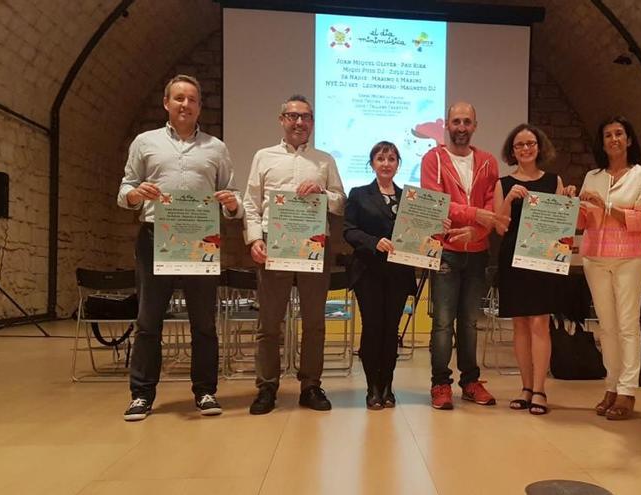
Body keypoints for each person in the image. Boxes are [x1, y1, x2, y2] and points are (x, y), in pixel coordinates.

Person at [117, 74, 242, 421]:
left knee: (203, 322)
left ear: (200, 106)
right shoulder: (145, 142)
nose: (185, 104)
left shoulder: (216, 148)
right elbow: (125, 188)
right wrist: (134, 194)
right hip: (155, 237)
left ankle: (205, 391)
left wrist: (232, 204)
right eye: (179, 98)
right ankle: (141, 394)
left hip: (201, 240)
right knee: (148, 321)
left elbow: (233, 197)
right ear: (166, 103)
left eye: (192, 99)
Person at [243, 95, 346, 414]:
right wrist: (254, 240)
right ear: (281, 119)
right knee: (269, 322)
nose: (299, 122)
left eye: (306, 117)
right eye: (292, 116)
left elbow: (341, 202)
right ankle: (267, 387)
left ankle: (311, 385)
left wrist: (323, 193)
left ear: (313, 122)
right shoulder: (263, 157)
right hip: (275, 247)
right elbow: (250, 203)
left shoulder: (324, 160)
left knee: (314, 321)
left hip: (315, 247)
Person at [420, 102, 508, 410]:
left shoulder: (487, 161)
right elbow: (436, 202)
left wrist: (477, 232)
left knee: (470, 321)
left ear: (475, 125)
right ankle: (440, 384)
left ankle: (470, 381)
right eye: (456, 121)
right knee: (443, 322)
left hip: (478, 252)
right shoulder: (433, 159)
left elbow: (493, 210)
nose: (461, 127)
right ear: (447, 124)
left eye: (467, 121)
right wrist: (475, 217)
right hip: (445, 250)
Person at [577, 116, 641, 420]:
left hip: (628, 258)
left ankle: (628, 390)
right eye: (608, 134)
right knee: (606, 328)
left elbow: (639, 220)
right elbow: (583, 222)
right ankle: (611, 384)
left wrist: (605, 206)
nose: (613, 139)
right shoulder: (592, 176)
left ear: (630, 139)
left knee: (627, 325)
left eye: (619, 133)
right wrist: (573, 204)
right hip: (595, 258)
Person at [492, 123, 570, 415]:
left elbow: (562, 223)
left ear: (539, 146)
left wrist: (567, 199)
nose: (525, 148)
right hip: (513, 257)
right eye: (519, 145)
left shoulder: (554, 180)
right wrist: (510, 199)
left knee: (540, 322)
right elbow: (499, 227)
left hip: (544, 259)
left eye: (530, 143)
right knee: (520, 324)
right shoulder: (502, 184)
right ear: (512, 151)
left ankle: (540, 389)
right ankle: (525, 387)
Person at [343, 141, 417, 410]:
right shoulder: (359, 194)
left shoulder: (410, 198)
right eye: (380, 158)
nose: (386, 163)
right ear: (372, 163)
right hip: (368, 271)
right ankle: (372, 386)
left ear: (398, 164)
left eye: (392, 158)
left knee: (391, 330)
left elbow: (418, 233)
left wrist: (435, 226)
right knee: (373, 328)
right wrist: (373, 241)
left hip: (399, 272)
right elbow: (349, 230)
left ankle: (387, 384)